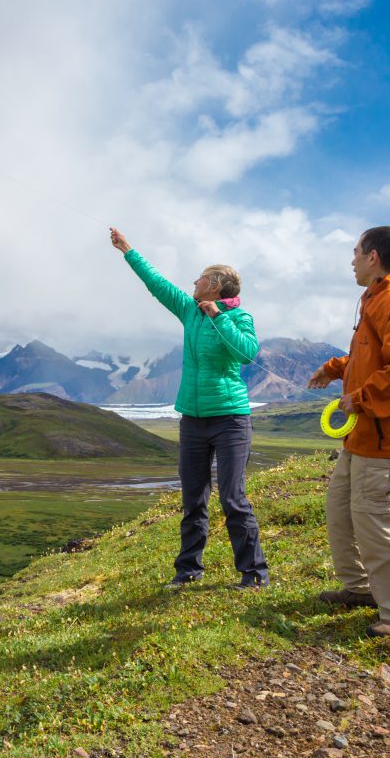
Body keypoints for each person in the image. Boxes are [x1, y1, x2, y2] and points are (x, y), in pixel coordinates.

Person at [110, 227, 269, 590]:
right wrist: (127, 250)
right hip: (193, 421)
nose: (193, 282)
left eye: (199, 277)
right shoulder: (189, 310)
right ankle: (187, 571)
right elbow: (158, 284)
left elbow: (246, 352)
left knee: (233, 497)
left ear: (214, 285)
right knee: (193, 499)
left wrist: (219, 316)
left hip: (230, 420)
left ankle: (254, 574)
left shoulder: (238, 318)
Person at [307, 225, 390, 638]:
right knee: (342, 511)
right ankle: (360, 588)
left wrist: (359, 398)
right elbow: (370, 356)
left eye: (356, 252)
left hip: (386, 434)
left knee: (378, 518)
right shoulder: (376, 298)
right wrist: (334, 369)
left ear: (373, 256)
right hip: (363, 436)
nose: (352, 260)